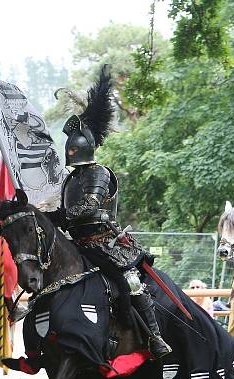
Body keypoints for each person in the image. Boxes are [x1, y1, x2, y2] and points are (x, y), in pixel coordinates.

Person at [46, 66, 170, 358]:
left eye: (73, 148)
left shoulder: (98, 172)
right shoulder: (71, 178)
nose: (71, 152)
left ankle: (154, 336)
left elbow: (89, 205)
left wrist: (63, 217)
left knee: (130, 282)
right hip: (77, 242)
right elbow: (64, 209)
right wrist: (48, 218)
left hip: (105, 241)